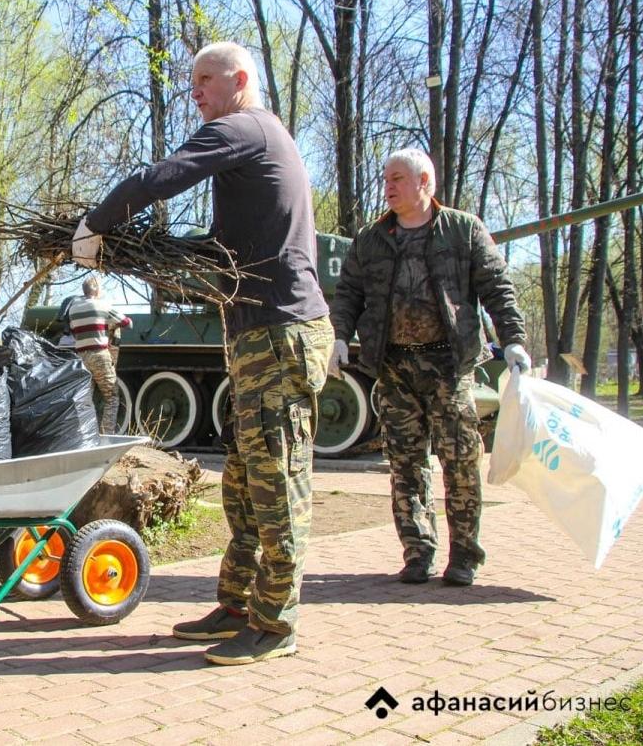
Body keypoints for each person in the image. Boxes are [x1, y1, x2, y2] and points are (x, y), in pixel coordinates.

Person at [74, 41, 331, 665]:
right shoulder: (252, 143)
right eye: (192, 82)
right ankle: (239, 605)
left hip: (281, 333)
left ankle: (276, 624)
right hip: (253, 333)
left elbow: (163, 176)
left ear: (240, 80)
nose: (195, 92)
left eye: (204, 80)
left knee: (276, 484)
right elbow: (222, 250)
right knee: (243, 481)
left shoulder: (246, 127)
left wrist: (97, 223)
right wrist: (143, 255)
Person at [328, 147, 529, 587]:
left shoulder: (463, 230)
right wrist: (339, 335)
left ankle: (465, 556)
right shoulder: (371, 238)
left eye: (398, 178)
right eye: (386, 178)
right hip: (394, 367)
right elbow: (348, 293)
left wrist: (513, 341)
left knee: (460, 460)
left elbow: (498, 288)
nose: (389, 186)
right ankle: (418, 552)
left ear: (425, 182)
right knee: (406, 464)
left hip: (448, 365)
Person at [65, 276, 132, 434]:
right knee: (112, 397)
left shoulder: (73, 309)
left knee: (85, 400)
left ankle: (86, 436)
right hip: (99, 356)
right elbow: (128, 323)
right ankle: (107, 435)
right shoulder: (102, 305)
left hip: (81, 358)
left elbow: (74, 332)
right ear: (96, 290)